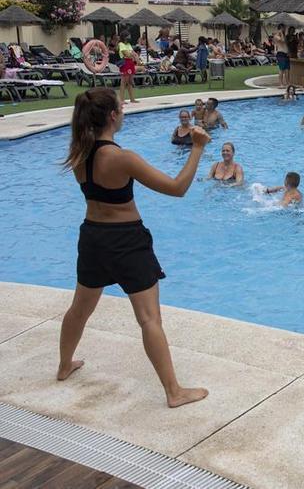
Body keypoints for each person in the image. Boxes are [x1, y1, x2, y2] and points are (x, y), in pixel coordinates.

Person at [58, 87, 210, 408]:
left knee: (80, 309)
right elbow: (177, 188)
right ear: (113, 116)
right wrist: (197, 148)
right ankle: (174, 392)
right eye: (121, 108)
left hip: (93, 237)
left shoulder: (78, 154)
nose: (124, 112)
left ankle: (64, 365)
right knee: (149, 318)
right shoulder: (121, 158)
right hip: (126, 240)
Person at [117, 32, 138, 105]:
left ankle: (132, 99)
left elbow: (133, 53)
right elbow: (127, 54)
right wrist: (133, 54)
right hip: (125, 63)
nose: (130, 38)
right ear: (124, 37)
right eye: (128, 36)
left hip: (130, 63)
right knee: (124, 82)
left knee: (129, 81)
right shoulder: (121, 44)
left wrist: (133, 55)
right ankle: (121, 99)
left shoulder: (128, 45)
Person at [274, 25, 290, 89]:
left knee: (287, 69)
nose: (285, 30)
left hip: (286, 54)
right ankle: (281, 83)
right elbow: (282, 41)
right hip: (281, 54)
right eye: (284, 28)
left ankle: (287, 83)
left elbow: (285, 43)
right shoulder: (276, 36)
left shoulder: (284, 36)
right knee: (281, 69)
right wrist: (280, 33)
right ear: (280, 28)